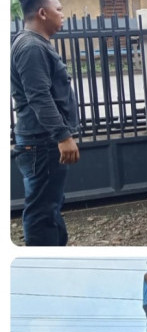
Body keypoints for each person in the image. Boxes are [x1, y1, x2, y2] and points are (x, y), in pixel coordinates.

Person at [11, 0, 80, 246]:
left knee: (49, 206)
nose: (63, 14)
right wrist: (63, 136)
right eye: (58, 10)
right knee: (41, 212)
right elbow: (39, 96)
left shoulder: (34, 44)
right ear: (42, 13)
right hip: (42, 142)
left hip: (42, 142)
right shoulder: (31, 47)